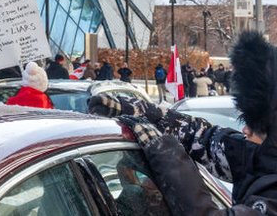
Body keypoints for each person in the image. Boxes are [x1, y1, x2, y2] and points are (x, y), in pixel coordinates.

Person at [88, 31, 277, 214]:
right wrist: (147, 112)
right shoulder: (261, 156)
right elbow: (203, 139)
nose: (245, 130)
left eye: (257, 126)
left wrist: (166, 154)